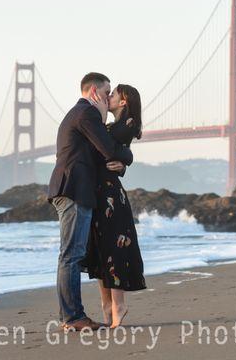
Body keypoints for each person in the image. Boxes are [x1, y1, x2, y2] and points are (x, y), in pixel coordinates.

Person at [47, 72, 134, 332]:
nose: (109, 98)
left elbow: (101, 156)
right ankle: (72, 318)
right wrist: (128, 156)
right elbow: (108, 149)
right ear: (94, 92)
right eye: (107, 93)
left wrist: (123, 165)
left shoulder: (83, 114)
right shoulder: (86, 114)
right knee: (71, 256)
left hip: (75, 190)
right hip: (74, 190)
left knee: (71, 255)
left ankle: (71, 316)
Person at [81, 84, 147, 329]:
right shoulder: (110, 126)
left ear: (123, 101)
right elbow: (114, 152)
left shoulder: (125, 124)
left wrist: (125, 160)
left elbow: (106, 148)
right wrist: (126, 159)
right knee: (99, 250)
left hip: (109, 195)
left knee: (113, 249)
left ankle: (118, 304)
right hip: (97, 194)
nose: (107, 97)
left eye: (112, 94)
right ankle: (106, 305)